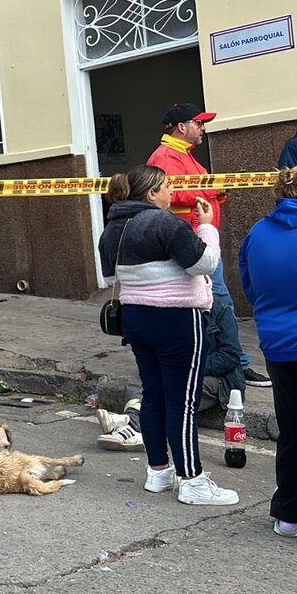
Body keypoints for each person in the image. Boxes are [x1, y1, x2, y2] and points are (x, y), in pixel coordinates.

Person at [99, 164, 237, 506]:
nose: (171, 192)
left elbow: (108, 268)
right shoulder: (163, 222)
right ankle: (192, 479)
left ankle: (157, 471)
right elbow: (203, 264)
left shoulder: (113, 228)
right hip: (177, 319)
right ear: (151, 193)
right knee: (183, 401)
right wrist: (207, 228)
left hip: (135, 318)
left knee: (154, 395)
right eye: (167, 186)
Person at [147, 103, 269, 387]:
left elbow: (195, 192)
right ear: (182, 127)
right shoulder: (166, 156)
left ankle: (221, 359)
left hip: (199, 237)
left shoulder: (183, 155)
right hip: (191, 241)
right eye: (199, 124)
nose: (203, 129)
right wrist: (214, 190)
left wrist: (216, 194)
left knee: (212, 302)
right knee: (220, 300)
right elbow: (172, 195)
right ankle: (235, 362)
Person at [239, 166, 297, 536]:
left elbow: (250, 288)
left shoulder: (256, 234)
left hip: (278, 344)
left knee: (291, 428)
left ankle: (289, 515)